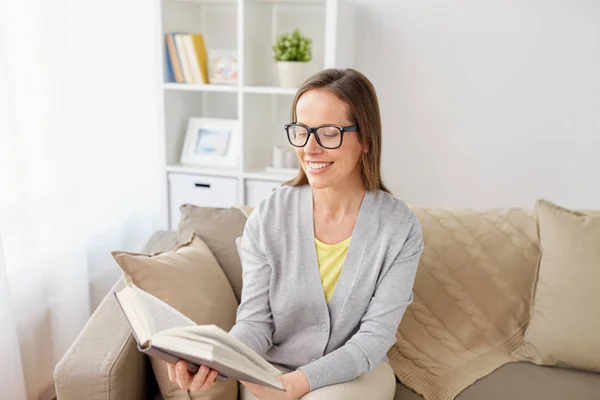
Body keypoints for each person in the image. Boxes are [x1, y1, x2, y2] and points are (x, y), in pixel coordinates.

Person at [167, 68, 424, 399]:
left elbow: (374, 338)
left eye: (328, 133)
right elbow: (254, 324)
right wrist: (215, 363)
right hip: (274, 371)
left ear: (366, 140)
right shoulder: (269, 216)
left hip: (356, 373)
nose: (310, 148)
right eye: (301, 131)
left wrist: (302, 382)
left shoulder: (399, 228)